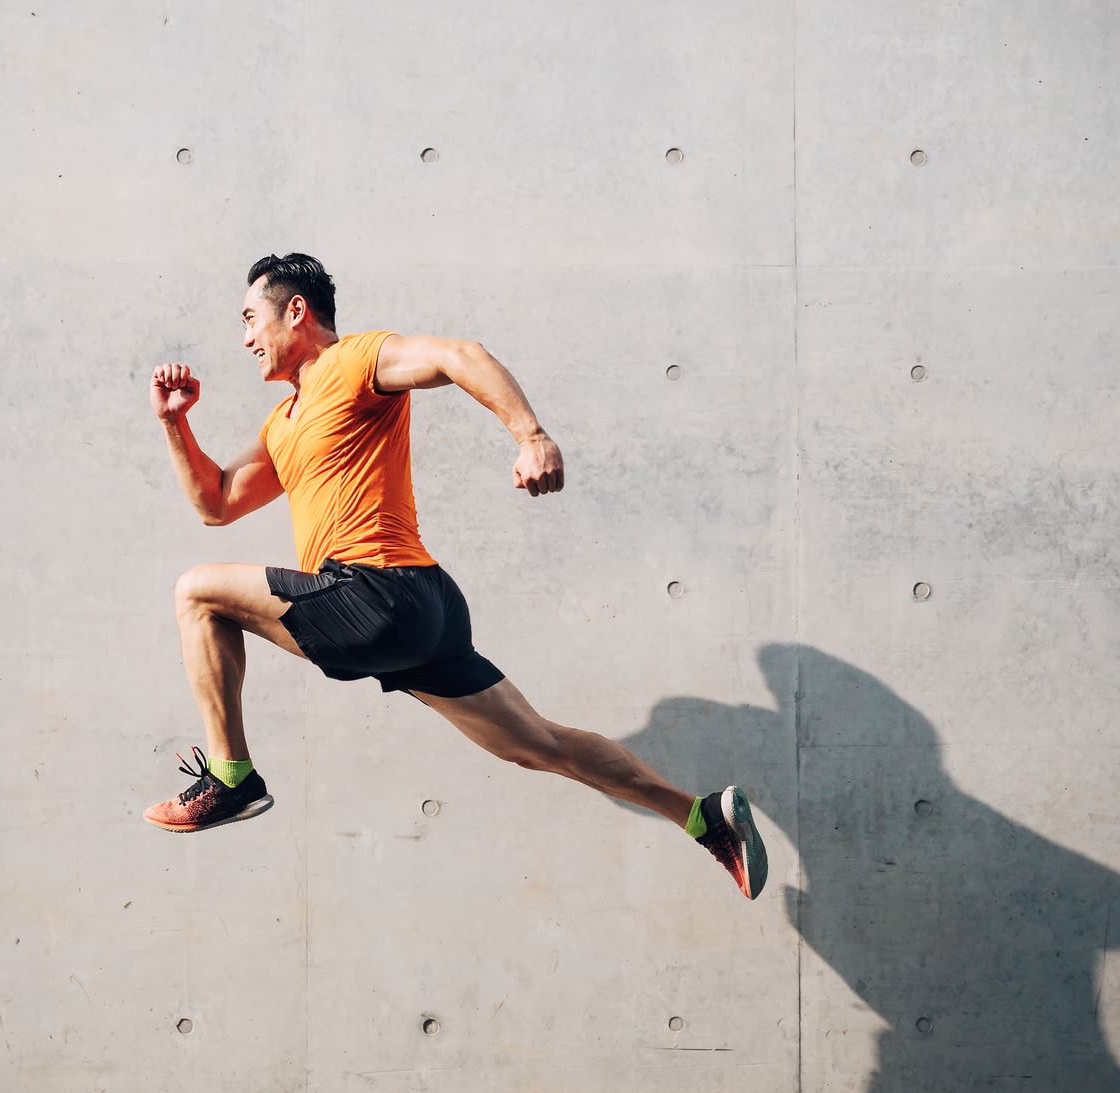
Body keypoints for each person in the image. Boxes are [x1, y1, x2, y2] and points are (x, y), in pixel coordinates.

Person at [144, 252, 767, 899]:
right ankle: (702, 815)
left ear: (295, 311)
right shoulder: (283, 423)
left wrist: (531, 435)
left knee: (196, 592)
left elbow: (458, 355)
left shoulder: (353, 362)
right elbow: (216, 501)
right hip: (425, 610)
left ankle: (231, 776)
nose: (245, 338)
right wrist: (175, 422)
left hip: (374, 594)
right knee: (538, 744)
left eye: (250, 319)